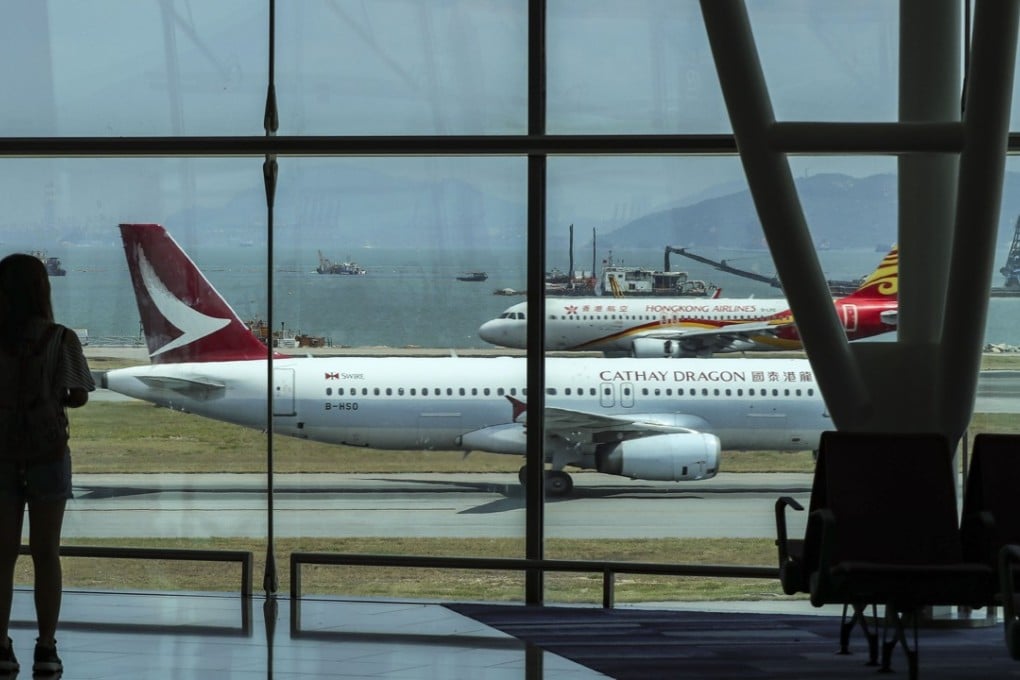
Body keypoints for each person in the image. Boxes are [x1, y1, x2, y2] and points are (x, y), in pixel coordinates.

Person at [0, 254, 94, 675]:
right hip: (48, 455)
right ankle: (47, 646)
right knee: (46, 554)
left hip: (1, 455)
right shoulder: (61, 338)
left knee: (2, 556)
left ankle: (1, 645)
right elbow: (79, 393)